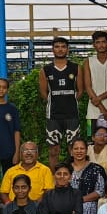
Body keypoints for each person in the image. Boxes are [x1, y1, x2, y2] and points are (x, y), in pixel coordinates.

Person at [39, 37, 82, 169]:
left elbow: (80, 91)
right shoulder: (46, 69)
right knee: (53, 150)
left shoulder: (76, 68)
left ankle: (74, 176)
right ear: (52, 50)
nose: (60, 49)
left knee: (73, 150)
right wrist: (54, 102)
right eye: (57, 47)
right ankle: (54, 178)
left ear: (67, 49)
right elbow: (43, 93)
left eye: (63, 46)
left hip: (71, 114)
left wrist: (70, 102)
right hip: (53, 115)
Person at [81, 30, 107, 139]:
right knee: (93, 142)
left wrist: (99, 98)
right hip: (93, 112)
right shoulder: (88, 62)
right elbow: (88, 87)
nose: (101, 45)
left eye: (103, 42)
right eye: (98, 42)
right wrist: (103, 109)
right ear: (94, 45)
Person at [0, 77, 23, 181]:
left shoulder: (12, 108)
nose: (1, 89)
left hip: (9, 151)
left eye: (4, 87)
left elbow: (17, 131)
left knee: (11, 182)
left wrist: (17, 152)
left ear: (7, 90)